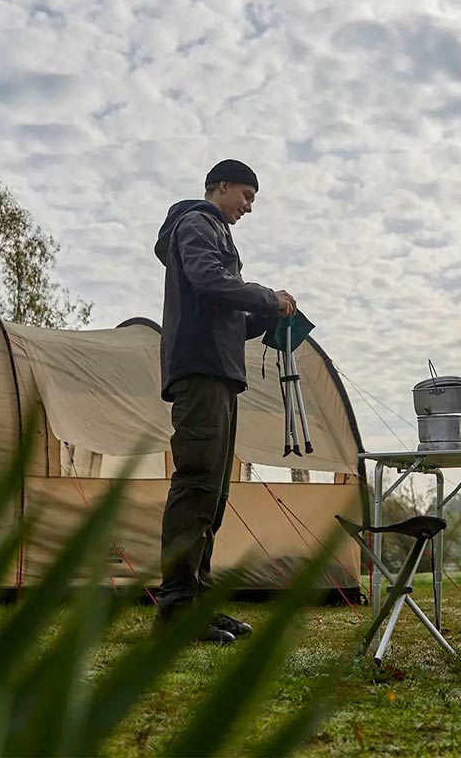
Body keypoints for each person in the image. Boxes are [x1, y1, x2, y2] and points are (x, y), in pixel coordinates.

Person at [153, 159, 296, 643]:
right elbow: (209, 282)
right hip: (200, 371)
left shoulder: (215, 233)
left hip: (220, 372)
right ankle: (175, 610)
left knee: (213, 495)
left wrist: (268, 317)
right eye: (247, 196)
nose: (248, 208)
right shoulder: (196, 223)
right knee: (195, 486)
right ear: (222, 185)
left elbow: (223, 309)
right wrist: (263, 294)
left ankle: (198, 603)